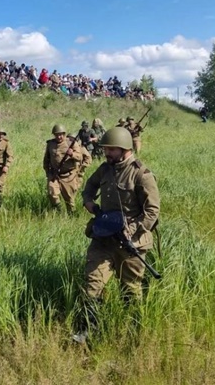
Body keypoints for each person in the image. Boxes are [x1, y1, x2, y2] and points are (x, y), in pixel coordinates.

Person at [72, 127, 160, 344]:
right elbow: (89, 186)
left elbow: (152, 211)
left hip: (131, 244)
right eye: (105, 149)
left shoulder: (141, 174)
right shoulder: (105, 169)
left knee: (130, 290)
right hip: (103, 239)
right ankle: (87, 332)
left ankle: (133, 332)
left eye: (110, 149)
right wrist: (89, 202)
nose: (106, 153)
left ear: (124, 149)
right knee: (92, 284)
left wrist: (131, 229)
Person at [43, 124, 83, 214]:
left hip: (68, 176)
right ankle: (58, 211)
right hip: (54, 174)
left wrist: (72, 154)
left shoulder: (71, 143)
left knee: (69, 200)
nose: (59, 137)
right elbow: (46, 159)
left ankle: (72, 216)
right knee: (51, 193)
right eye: (57, 134)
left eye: (61, 134)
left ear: (64, 134)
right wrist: (47, 172)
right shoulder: (50, 144)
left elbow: (80, 157)